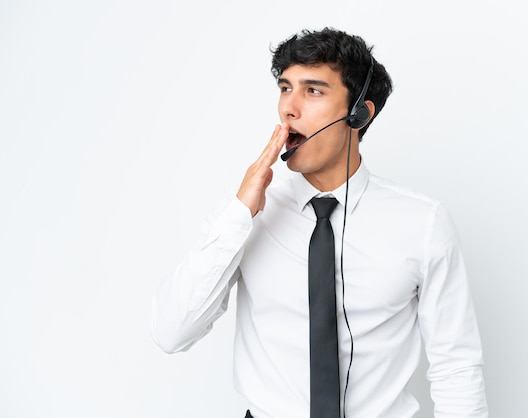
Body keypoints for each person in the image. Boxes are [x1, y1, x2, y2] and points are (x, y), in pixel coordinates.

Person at [152, 27, 488, 418]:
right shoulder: (245, 212)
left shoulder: (423, 222)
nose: (288, 109)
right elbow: (171, 333)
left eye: (312, 90)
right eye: (284, 88)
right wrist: (241, 213)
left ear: (359, 112)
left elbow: (457, 367)